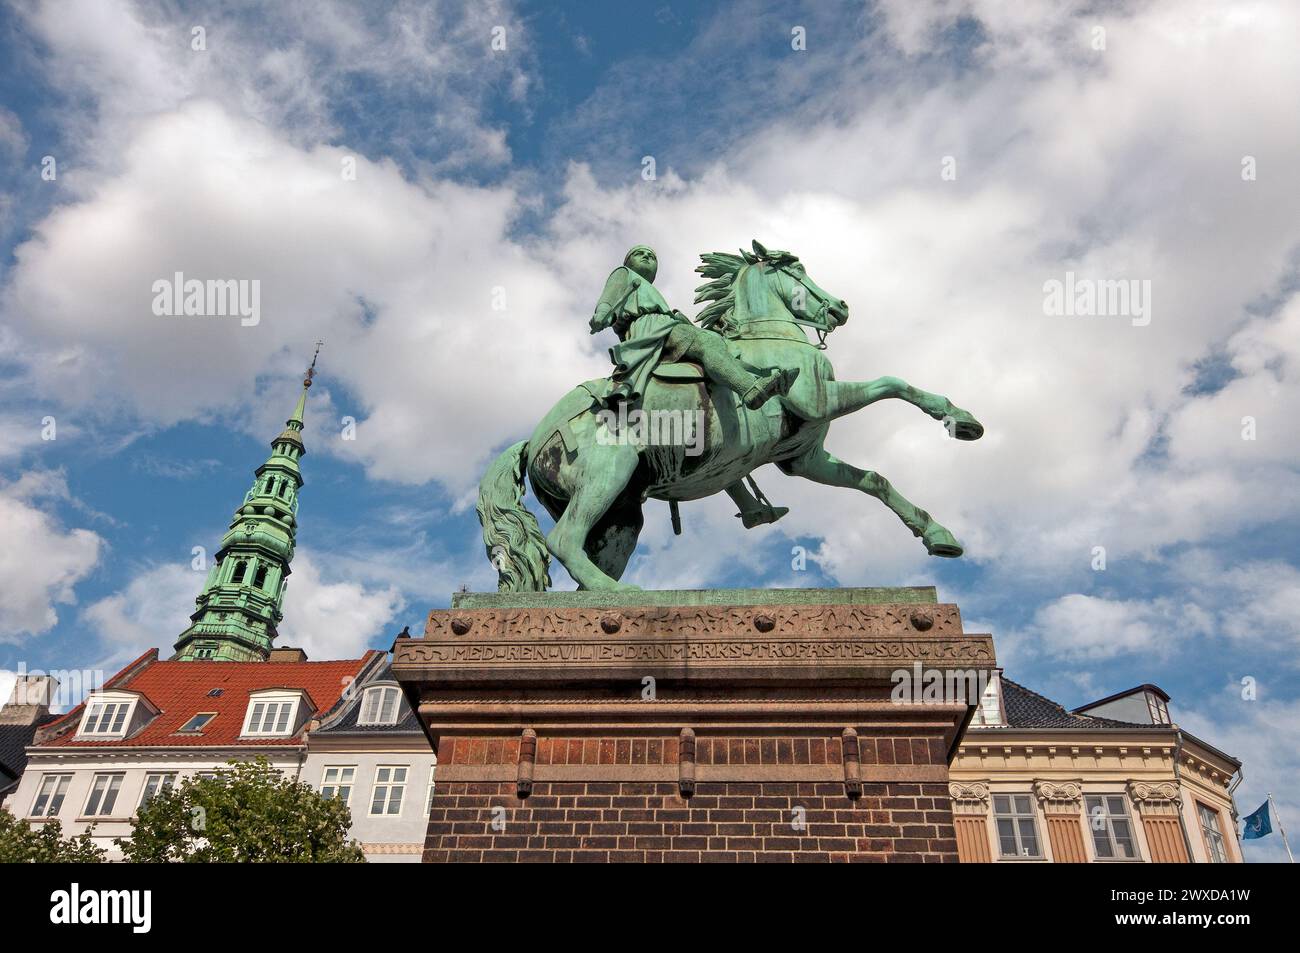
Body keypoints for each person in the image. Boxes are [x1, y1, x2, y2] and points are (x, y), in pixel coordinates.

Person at [590, 244, 791, 526]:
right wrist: (602, 313)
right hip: (651, 331)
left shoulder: (651, 291)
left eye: (652, 255)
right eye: (640, 254)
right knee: (707, 342)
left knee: (715, 398)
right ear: (628, 261)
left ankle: (749, 506)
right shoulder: (624, 274)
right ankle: (751, 388)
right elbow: (608, 298)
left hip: (664, 329)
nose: (647, 257)